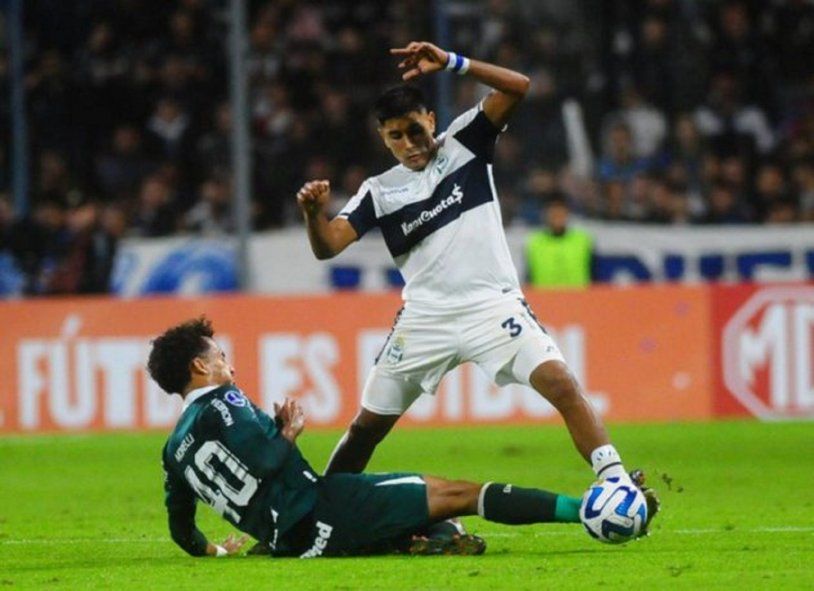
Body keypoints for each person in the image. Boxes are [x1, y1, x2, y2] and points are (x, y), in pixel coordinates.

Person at [296, 41, 641, 489]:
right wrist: (313, 214)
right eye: (396, 136)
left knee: (560, 383)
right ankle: (321, 508)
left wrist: (453, 63)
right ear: (383, 138)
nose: (409, 144)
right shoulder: (377, 192)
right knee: (366, 428)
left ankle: (617, 483)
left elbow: (518, 86)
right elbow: (328, 246)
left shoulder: (464, 143)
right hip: (425, 320)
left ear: (431, 120)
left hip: (492, 308)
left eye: (415, 130)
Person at [149, 317, 621, 559]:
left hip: (290, 542)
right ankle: (586, 510)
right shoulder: (226, 400)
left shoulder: (173, 451)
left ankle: (420, 539)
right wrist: (287, 434)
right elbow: (266, 460)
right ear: (200, 367)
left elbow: (181, 532)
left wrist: (213, 550)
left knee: (434, 520)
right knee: (459, 494)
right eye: (221, 356)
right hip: (321, 509)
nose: (230, 365)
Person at [526, 195, 593, 288]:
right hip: (544, 296)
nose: (557, 216)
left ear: (567, 213)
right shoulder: (535, 242)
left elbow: (594, 274)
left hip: (578, 295)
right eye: (553, 213)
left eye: (560, 213)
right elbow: (528, 276)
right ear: (545, 215)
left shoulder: (582, 240)